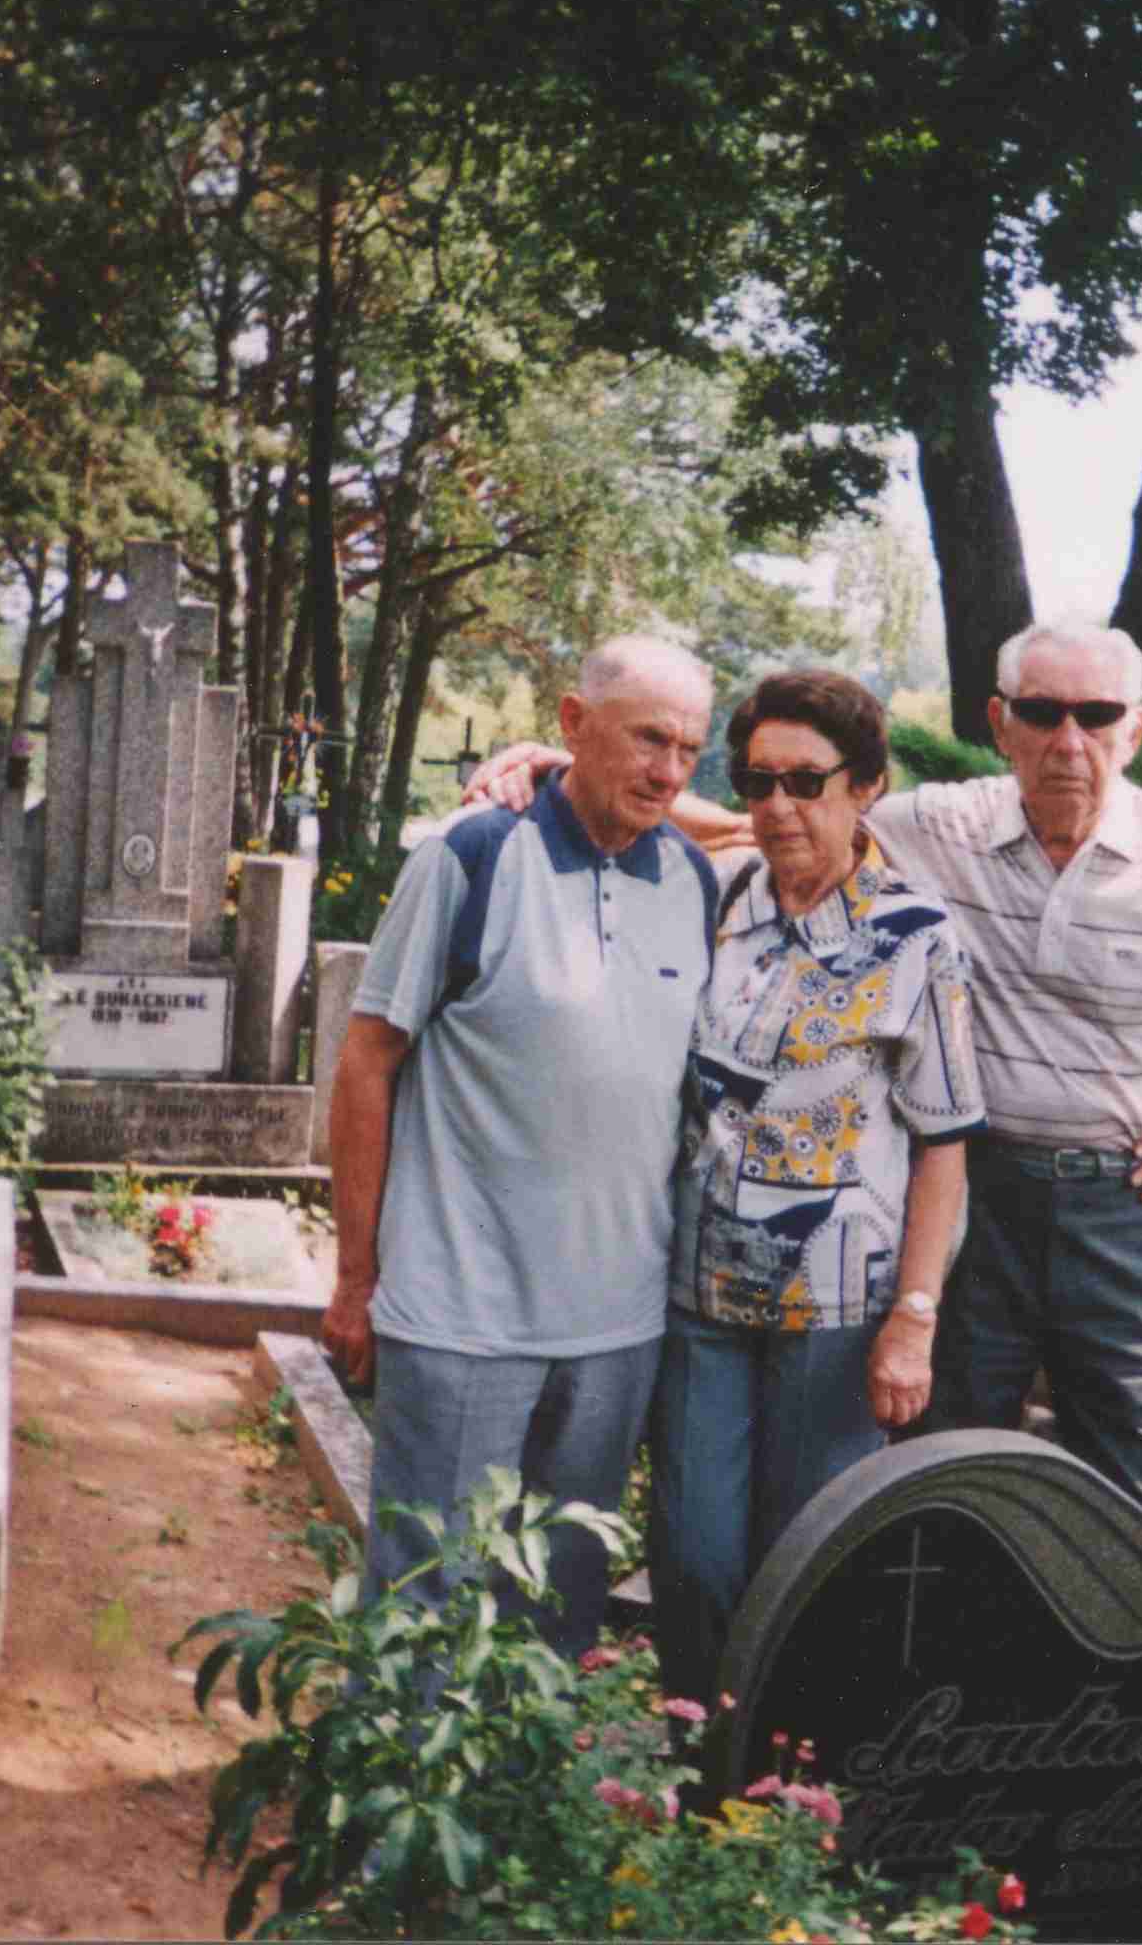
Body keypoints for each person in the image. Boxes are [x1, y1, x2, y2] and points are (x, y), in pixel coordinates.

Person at [465, 623, 1142, 1536]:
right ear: (1001, 724)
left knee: (1138, 1490)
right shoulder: (940, 825)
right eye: (1042, 713)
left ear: (1136, 729)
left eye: (1096, 715)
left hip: (1122, 1206)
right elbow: (772, 816)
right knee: (945, 1489)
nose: (1068, 740)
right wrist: (568, 769)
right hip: (979, 1209)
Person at [324, 634, 717, 1658]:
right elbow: (366, 1062)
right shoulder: (472, 856)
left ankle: (518, 1776)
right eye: (647, 739)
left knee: (554, 1621)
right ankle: (396, 1772)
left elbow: (834, 821)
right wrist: (354, 1277)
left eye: (689, 749)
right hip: (461, 1318)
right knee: (424, 1609)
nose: (668, 771)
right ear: (574, 723)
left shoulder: (695, 880)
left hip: (617, 1333)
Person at [651, 669, 985, 1705]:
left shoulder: (915, 937)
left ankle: (788, 1777)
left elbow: (944, 1144)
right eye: (757, 782)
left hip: (837, 1313)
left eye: (807, 781)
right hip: (700, 1294)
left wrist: (914, 1320)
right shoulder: (718, 901)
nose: (778, 806)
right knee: (692, 1558)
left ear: (867, 786)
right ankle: (698, 1759)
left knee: (805, 1571)